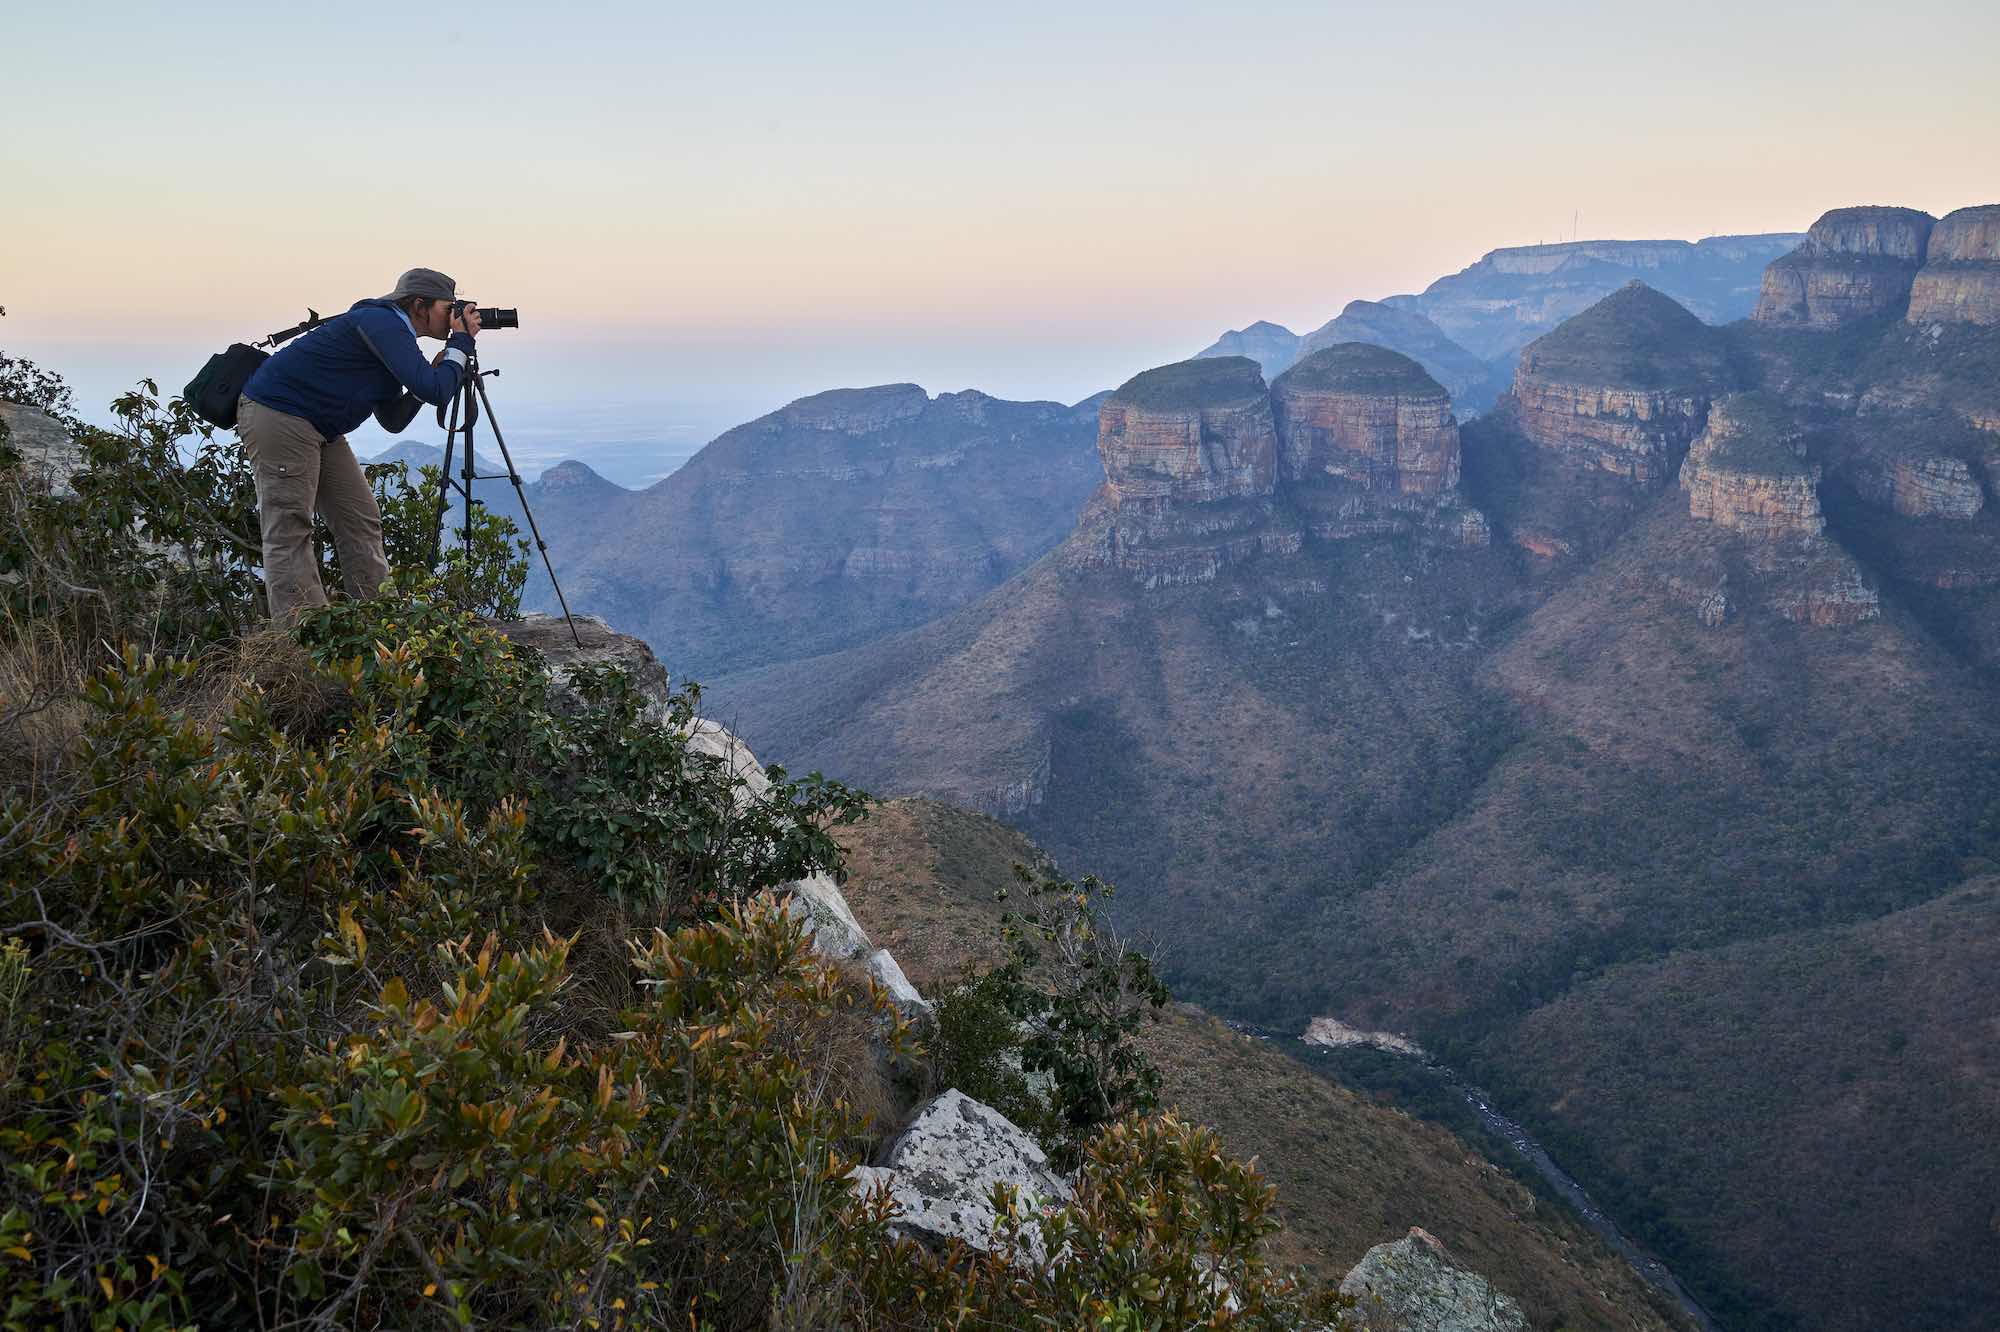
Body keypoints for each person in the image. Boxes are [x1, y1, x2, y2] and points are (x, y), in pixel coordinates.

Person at [237, 268, 482, 622]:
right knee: (289, 529)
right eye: (449, 308)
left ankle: (380, 625)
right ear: (419, 305)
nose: (454, 316)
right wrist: (460, 346)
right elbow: (435, 390)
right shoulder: (383, 323)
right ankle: (303, 642)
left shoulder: (395, 337)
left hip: (320, 427)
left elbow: (393, 419)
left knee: (360, 520)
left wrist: (438, 366)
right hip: (280, 415)